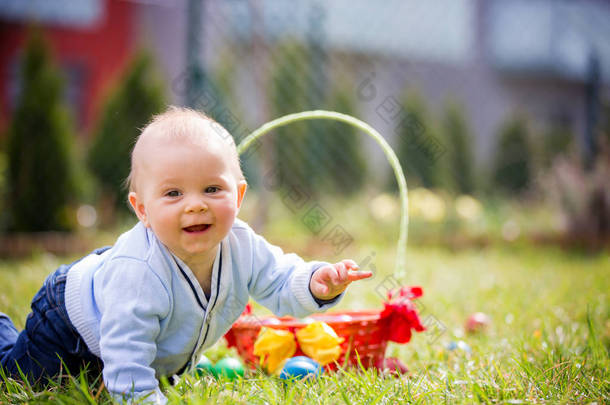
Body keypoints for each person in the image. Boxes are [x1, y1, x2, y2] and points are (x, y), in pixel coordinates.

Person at [0, 107, 372, 403]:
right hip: (68, 325)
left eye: (212, 189)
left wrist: (316, 282)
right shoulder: (141, 272)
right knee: (20, 378)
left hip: (115, 333)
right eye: (173, 194)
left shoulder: (241, 245)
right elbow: (127, 355)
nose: (195, 206)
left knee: (98, 382)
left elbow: (278, 279)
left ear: (239, 197)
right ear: (142, 209)